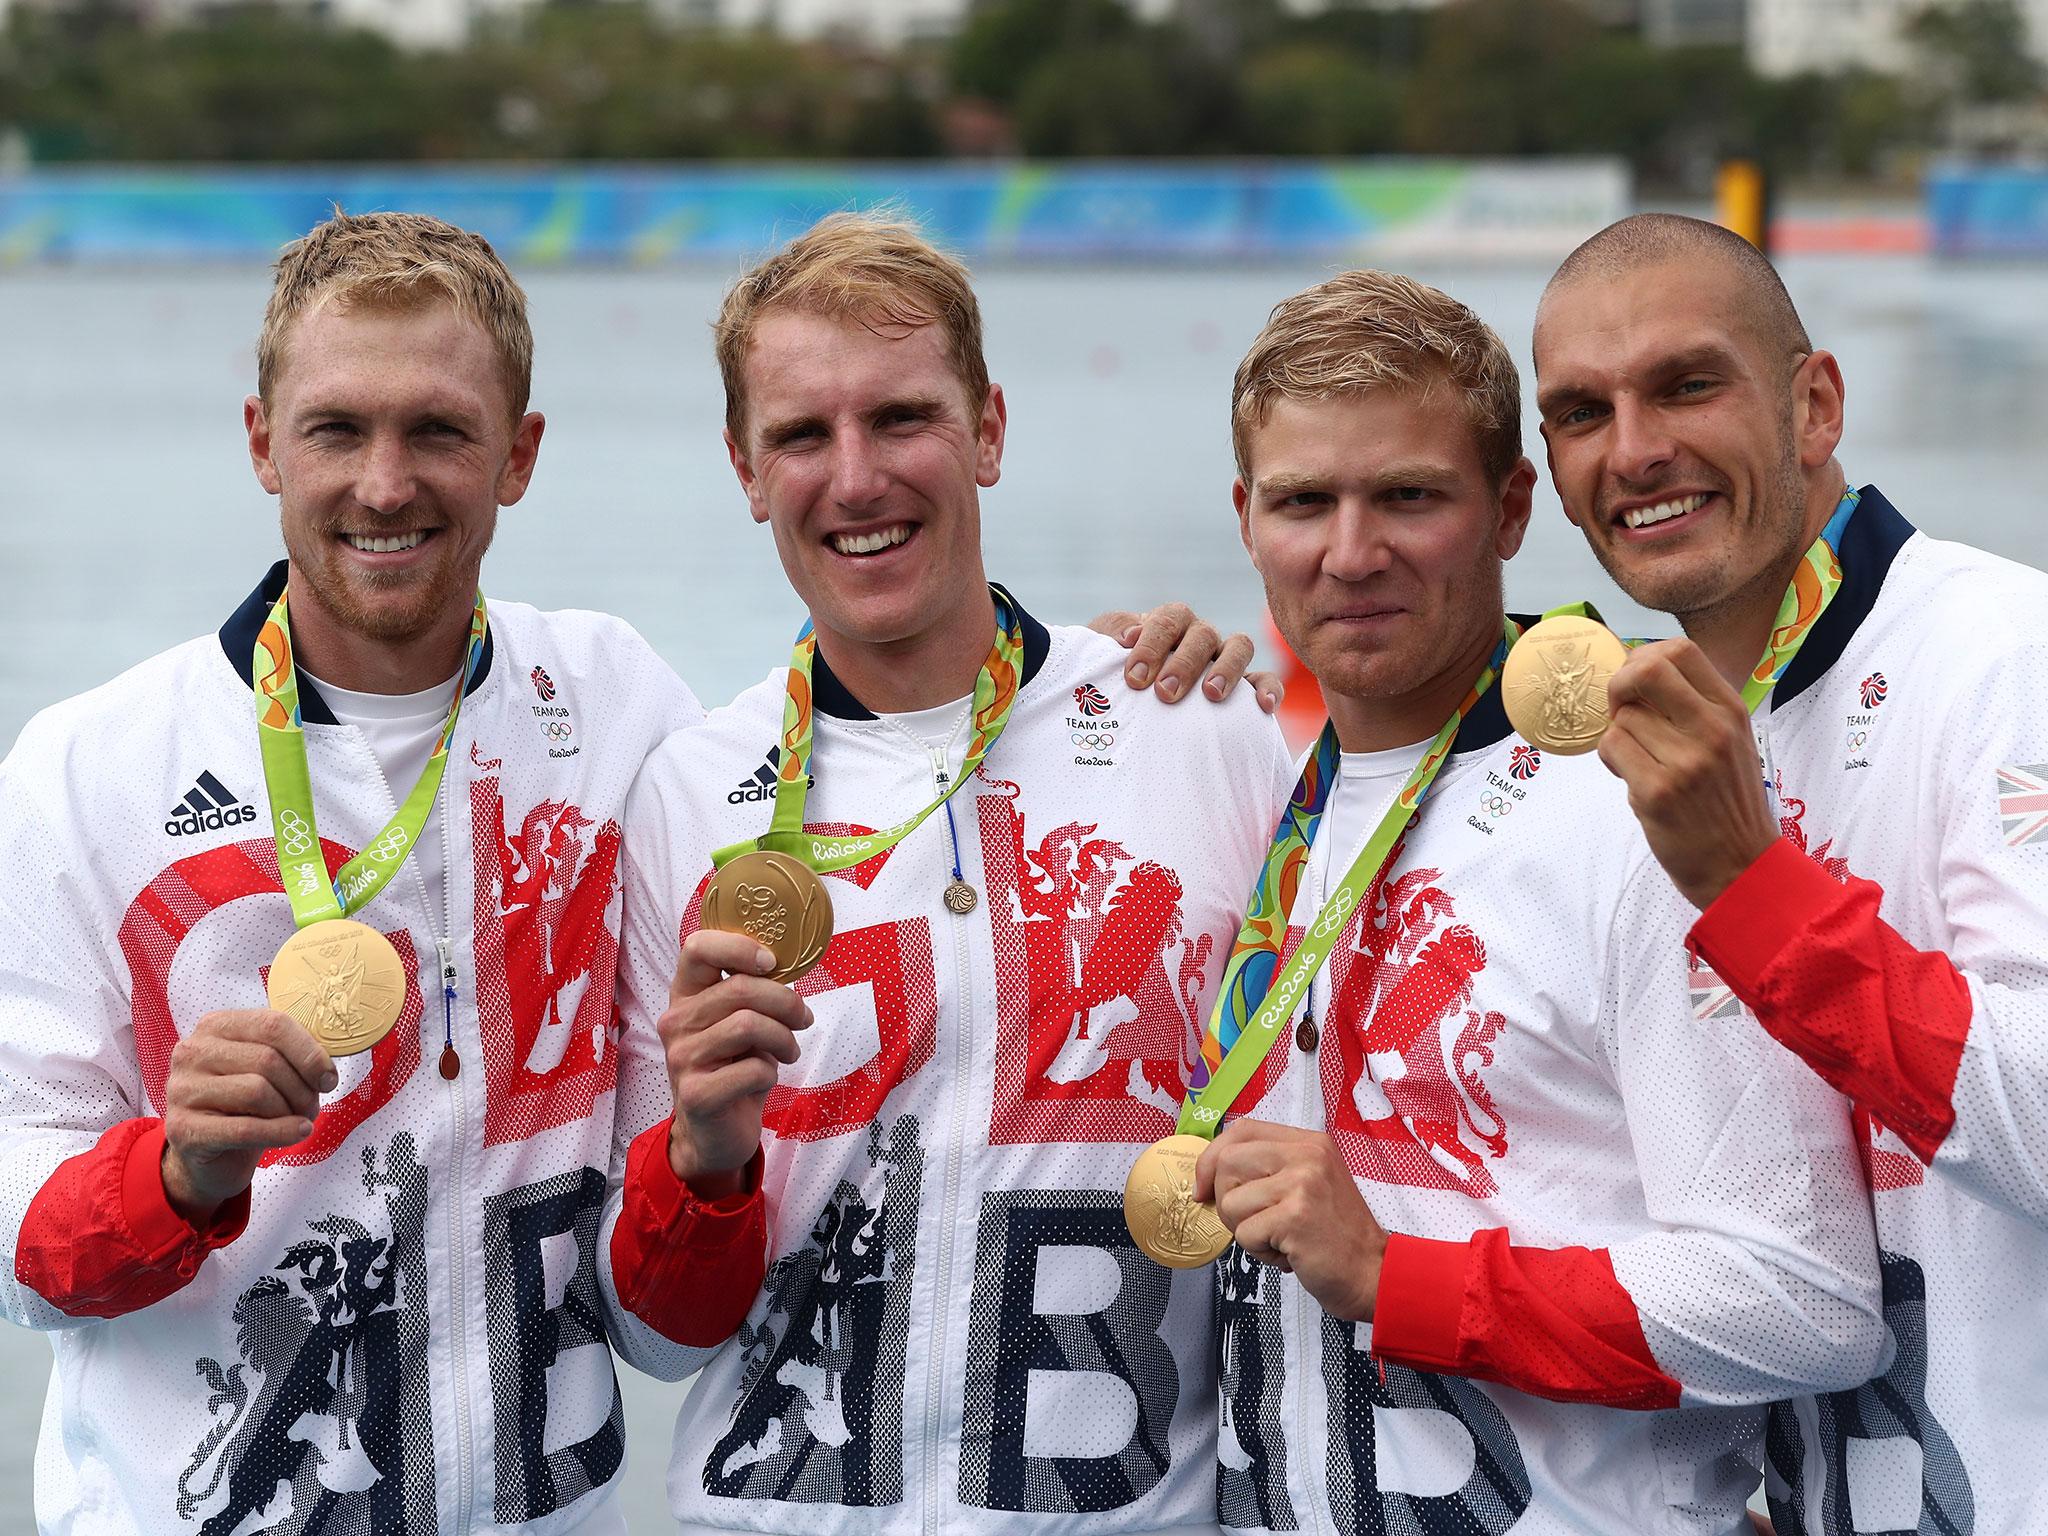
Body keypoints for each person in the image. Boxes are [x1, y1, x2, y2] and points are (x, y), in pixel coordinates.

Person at [0, 209, 1256, 1535]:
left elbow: (891, 721)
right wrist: (177, 1172)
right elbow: (23, 1250)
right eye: (333, 429)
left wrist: (1126, 681)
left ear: (519, 456)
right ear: (261, 442)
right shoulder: (87, 771)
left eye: (437, 430)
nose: (383, 484)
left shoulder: (619, 713)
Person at [610, 210, 1297, 1534]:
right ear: (747, 471)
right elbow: (658, 1337)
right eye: (803, 436)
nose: (857, 478)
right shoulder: (689, 793)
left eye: (903, 418)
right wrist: (702, 1157)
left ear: (987, 427)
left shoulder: (1202, 728)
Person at [1189, 269, 1886, 1535]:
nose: (1351, 555)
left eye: (1408, 496)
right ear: (1245, 520)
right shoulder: (1265, 796)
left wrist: (1401, 1279)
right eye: (1304, 502)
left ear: (1512, 508)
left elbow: (1805, 1305)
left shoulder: (1635, 811)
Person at [1535, 212, 2048, 1536]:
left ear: (1814, 405)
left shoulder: (2008, 650)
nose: (1636, 449)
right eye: (1584, 412)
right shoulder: (1683, 730)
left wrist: (1755, 893)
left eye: (1688, 383)